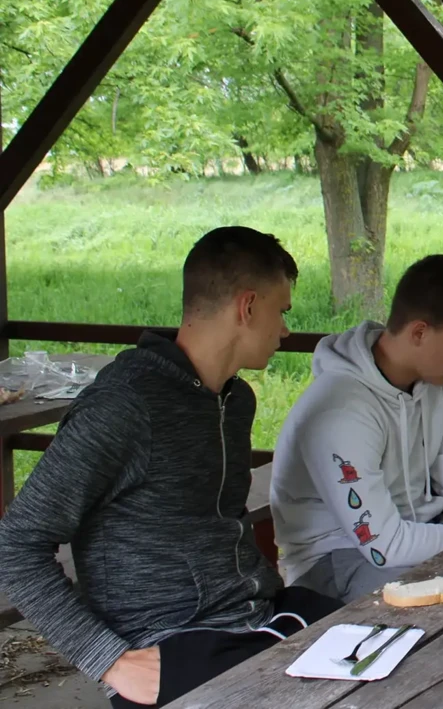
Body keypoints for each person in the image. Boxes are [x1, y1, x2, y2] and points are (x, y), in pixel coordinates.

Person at [0, 227, 341, 709]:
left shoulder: (235, 401)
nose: (286, 330)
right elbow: (16, 544)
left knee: (395, 643)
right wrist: (108, 661)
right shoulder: (125, 406)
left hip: (257, 619)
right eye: (281, 311)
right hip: (172, 643)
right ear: (247, 307)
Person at [272, 255, 443, 602]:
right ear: (419, 332)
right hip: (336, 558)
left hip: (418, 539)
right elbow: (384, 547)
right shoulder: (340, 409)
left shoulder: (437, 387)